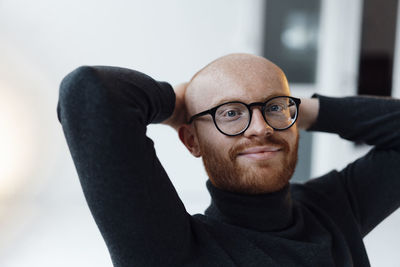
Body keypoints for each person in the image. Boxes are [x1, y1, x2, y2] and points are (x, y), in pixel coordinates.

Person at [57, 53, 400, 267]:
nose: (261, 128)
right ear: (192, 140)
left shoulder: (333, 208)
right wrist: (180, 101)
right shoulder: (170, 251)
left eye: (274, 108)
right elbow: (90, 93)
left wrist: (303, 109)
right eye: (231, 112)